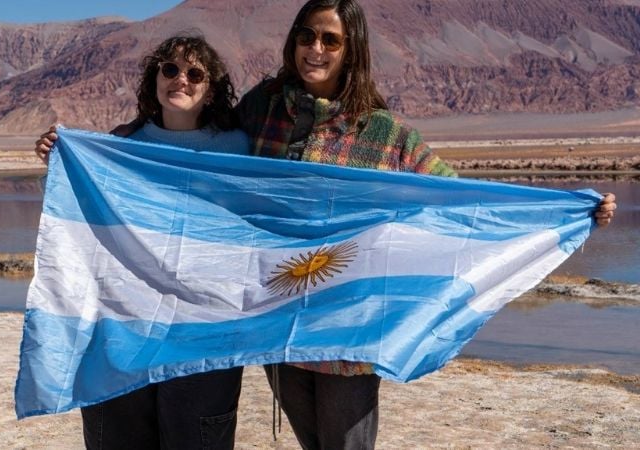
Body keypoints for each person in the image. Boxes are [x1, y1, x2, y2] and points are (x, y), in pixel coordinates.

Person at [234, 0, 617, 448]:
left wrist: (566, 211)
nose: (315, 49)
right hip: (279, 322)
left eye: (330, 40)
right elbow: (199, 155)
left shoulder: (384, 134)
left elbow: (462, 201)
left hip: (349, 334)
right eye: (306, 36)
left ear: (351, 49)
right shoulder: (261, 111)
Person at [34, 34, 250, 450]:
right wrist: (58, 163)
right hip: (128, 329)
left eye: (194, 73)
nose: (180, 80)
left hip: (204, 332)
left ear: (210, 89)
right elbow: (84, 218)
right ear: (154, 80)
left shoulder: (236, 149)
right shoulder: (122, 146)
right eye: (169, 69)